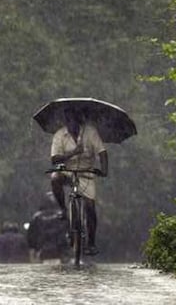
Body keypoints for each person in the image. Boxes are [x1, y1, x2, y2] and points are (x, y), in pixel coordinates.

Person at [50, 107, 108, 256]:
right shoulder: (59, 135)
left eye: (75, 121)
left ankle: (91, 243)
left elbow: (102, 152)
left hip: (86, 173)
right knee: (55, 178)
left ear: (80, 121)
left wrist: (104, 170)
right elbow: (54, 159)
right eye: (69, 122)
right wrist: (73, 153)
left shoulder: (90, 132)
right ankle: (63, 209)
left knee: (90, 207)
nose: (72, 125)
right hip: (67, 171)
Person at [26, 192, 69, 263]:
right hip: (60, 252)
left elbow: (31, 237)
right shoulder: (62, 216)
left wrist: (32, 252)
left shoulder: (36, 217)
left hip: (42, 251)